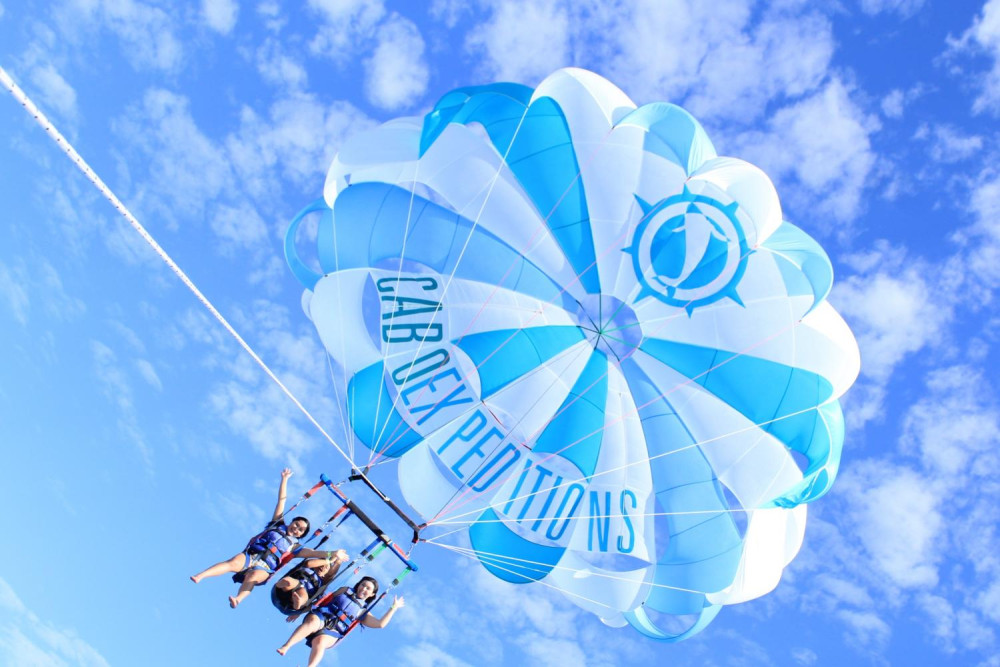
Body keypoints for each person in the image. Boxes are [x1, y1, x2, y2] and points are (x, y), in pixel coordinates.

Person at [190, 468, 336, 608]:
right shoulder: (277, 524)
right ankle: (201, 576)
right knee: (233, 563)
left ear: (301, 535)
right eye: (296, 524)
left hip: (265, 567)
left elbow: (313, 553)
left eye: (300, 530)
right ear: (291, 522)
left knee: (252, 576)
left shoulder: (295, 547)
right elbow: (281, 501)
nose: (296, 529)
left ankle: (237, 599)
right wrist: (284, 480)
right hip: (251, 555)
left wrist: (332, 554)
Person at [276, 576, 404, 666]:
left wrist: (393, 608)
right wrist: (300, 612)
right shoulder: (344, 590)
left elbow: (380, 624)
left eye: (368, 589)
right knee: (312, 623)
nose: (363, 589)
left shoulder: (363, 612)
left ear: (371, 595)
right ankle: (286, 646)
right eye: (363, 585)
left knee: (320, 642)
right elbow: (322, 600)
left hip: (334, 631)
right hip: (322, 616)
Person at [271, 550, 349, 613]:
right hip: (285, 590)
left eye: (326, 568)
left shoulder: (322, 584)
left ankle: (298, 603)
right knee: (289, 582)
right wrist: (328, 561)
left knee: (304, 595)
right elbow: (309, 563)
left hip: (294, 601)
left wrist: (338, 561)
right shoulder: (307, 566)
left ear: (325, 575)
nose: (323, 566)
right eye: (321, 563)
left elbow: (330, 575)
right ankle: (279, 585)